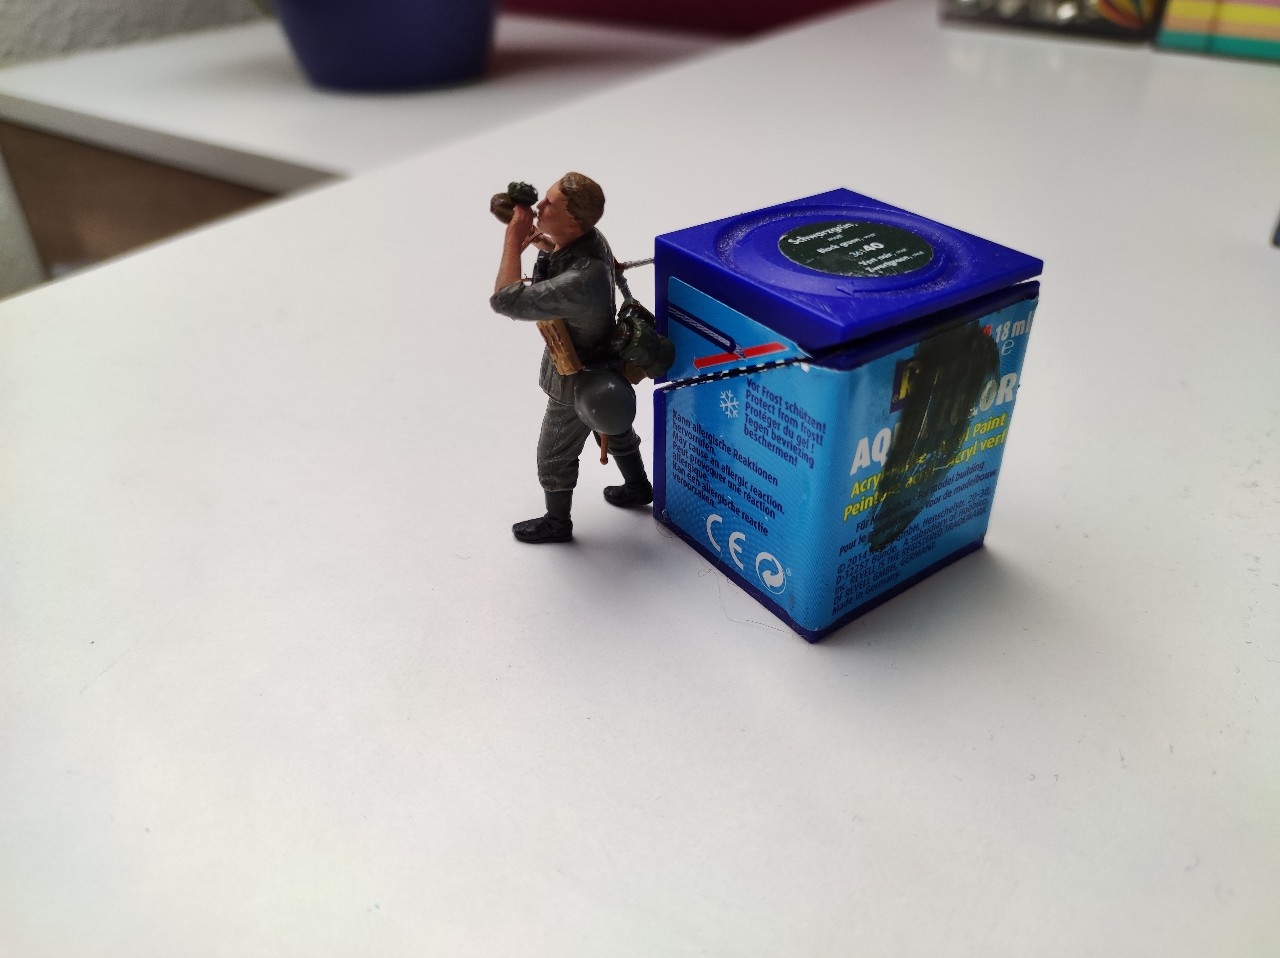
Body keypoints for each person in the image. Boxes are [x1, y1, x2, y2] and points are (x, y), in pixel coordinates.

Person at [490, 172, 652, 544]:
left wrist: (513, 240)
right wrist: (541, 241)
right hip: (605, 363)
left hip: (574, 377)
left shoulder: (581, 280)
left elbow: (506, 300)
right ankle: (638, 486)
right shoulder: (591, 240)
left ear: (574, 222)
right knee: (613, 427)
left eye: (549, 205)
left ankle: (557, 522)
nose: (539, 206)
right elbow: (561, 253)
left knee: (553, 453)